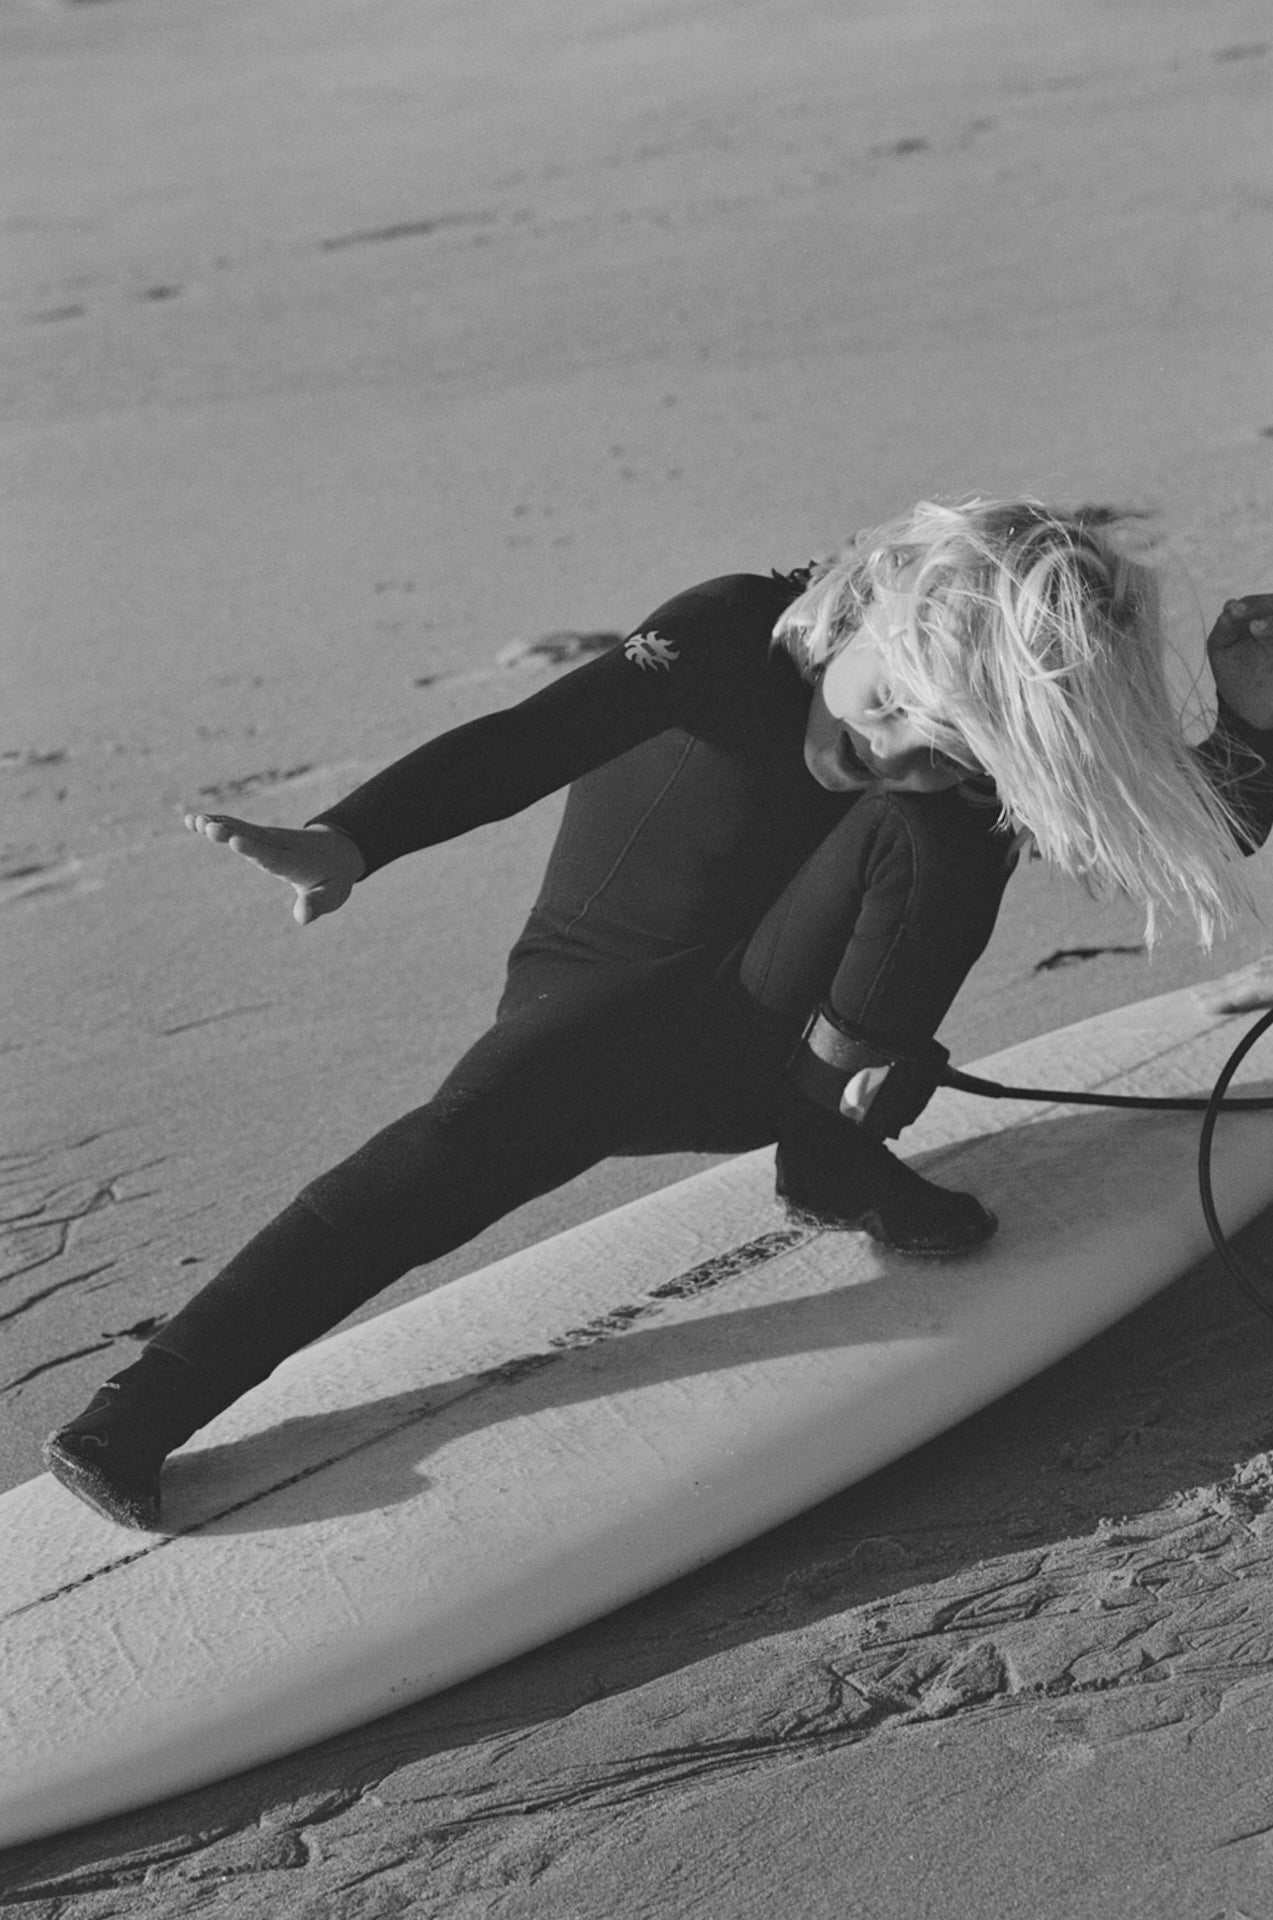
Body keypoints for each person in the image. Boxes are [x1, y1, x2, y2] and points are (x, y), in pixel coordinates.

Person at [43, 498, 1273, 1530]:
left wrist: (1255, 717)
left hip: (790, 1050)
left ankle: (828, 1151)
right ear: (874, 615)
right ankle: (140, 1410)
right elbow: (531, 739)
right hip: (602, 1015)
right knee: (454, 1155)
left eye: (944, 743)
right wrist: (352, 837)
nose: (890, 751)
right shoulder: (736, 630)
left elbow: (1166, 833)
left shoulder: (956, 755)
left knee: (949, 824)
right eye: (891, 705)